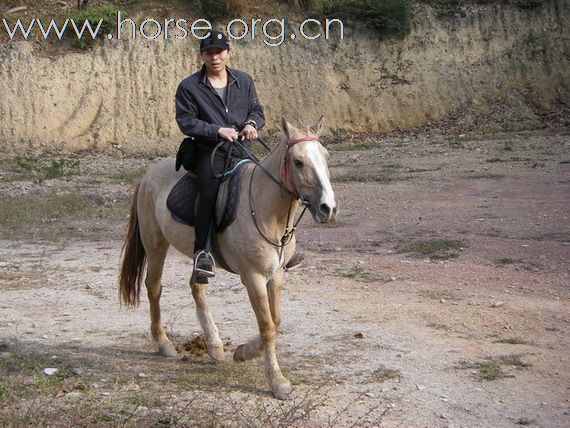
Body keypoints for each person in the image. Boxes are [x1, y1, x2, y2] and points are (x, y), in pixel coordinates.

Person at [175, 30, 264, 281]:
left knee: (272, 184)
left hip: (243, 149)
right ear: (202, 56)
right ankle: (202, 253)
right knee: (208, 194)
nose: (215, 57)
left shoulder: (244, 81)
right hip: (209, 152)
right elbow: (186, 122)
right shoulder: (189, 87)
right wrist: (217, 130)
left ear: (228, 53)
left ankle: (281, 247)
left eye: (219, 52)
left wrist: (252, 124)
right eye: (209, 52)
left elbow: (257, 109)